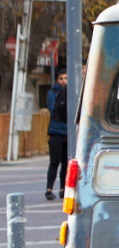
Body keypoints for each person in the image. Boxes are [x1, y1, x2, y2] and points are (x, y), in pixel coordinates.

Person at [45, 69, 69, 201]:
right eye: (61, 78)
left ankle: (63, 189)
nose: (64, 81)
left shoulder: (72, 91)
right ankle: (49, 189)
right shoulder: (53, 93)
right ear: (57, 80)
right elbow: (53, 110)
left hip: (68, 132)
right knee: (54, 162)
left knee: (66, 163)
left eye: (66, 78)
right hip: (56, 132)